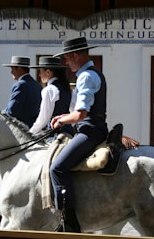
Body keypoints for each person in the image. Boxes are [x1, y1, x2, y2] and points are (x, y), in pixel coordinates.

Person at [49, 37, 108, 233]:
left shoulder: (85, 77)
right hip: (91, 127)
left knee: (57, 168)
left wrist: (60, 121)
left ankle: (70, 223)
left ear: (76, 55)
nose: (66, 62)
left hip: (89, 130)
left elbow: (81, 114)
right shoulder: (90, 73)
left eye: (67, 57)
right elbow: (82, 112)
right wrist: (64, 116)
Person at [29, 56, 74, 137]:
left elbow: (44, 118)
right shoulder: (67, 89)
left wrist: (31, 133)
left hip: (55, 133)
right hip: (69, 131)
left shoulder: (49, 90)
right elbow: (72, 111)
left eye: (40, 71)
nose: (39, 74)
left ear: (48, 72)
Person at [2, 56, 42, 128]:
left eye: (13, 69)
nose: (11, 72)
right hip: (34, 128)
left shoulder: (20, 85)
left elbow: (12, 111)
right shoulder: (37, 85)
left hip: (21, 130)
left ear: (19, 69)